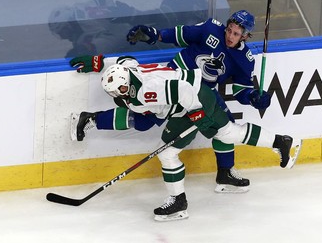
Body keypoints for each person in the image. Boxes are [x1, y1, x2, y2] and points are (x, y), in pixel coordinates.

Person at [69, 10, 288, 194]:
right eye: (229, 30)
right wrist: (155, 35)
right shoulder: (211, 28)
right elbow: (181, 34)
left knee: (225, 124)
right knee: (145, 121)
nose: (230, 36)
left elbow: (240, 89)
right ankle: (92, 119)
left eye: (236, 34)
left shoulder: (244, 60)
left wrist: (253, 98)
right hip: (171, 84)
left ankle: (225, 173)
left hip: (199, 95)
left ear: (245, 36)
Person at [96, 59, 300, 221]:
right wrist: (97, 63)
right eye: (112, 92)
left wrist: (196, 114)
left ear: (126, 83)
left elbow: (183, 90)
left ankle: (178, 202)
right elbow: (126, 60)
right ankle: (281, 142)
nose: (116, 94)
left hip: (192, 102)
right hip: (199, 94)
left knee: (167, 154)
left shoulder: (145, 91)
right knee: (228, 133)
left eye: (118, 90)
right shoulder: (128, 70)